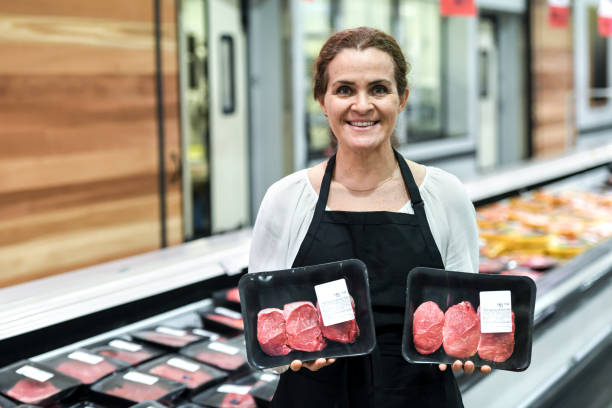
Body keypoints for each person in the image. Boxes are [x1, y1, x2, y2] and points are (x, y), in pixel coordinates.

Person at [249, 26, 490, 408]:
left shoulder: (445, 194)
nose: (362, 105)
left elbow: (462, 310)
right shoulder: (286, 198)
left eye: (379, 89)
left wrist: (467, 349)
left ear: (402, 98)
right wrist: (289, 355)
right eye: (344, 89)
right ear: (322, 100)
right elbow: (263, 326)